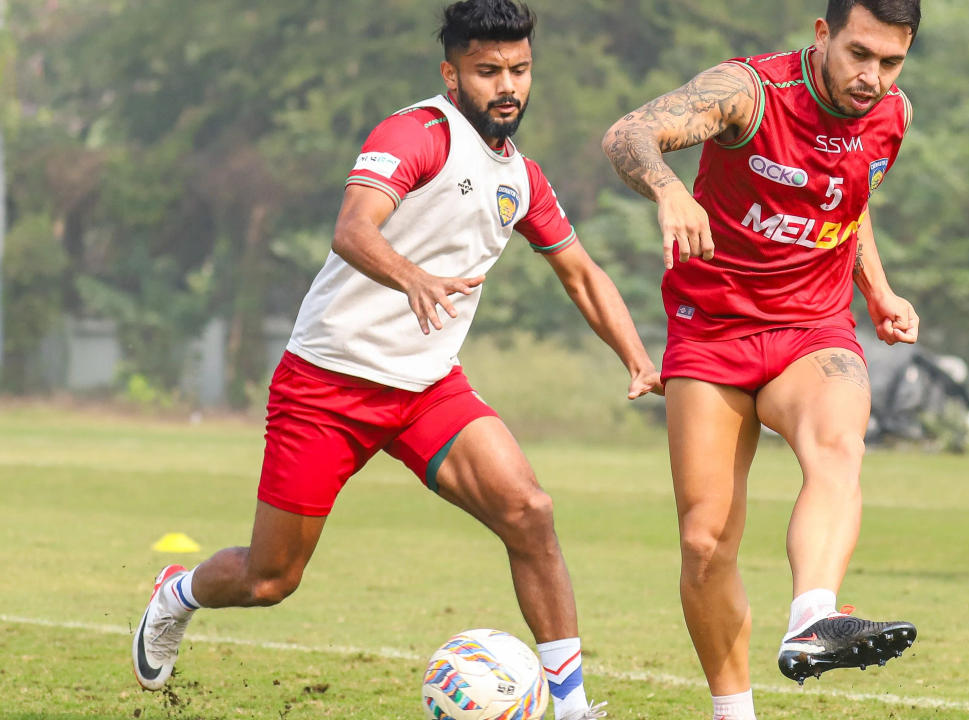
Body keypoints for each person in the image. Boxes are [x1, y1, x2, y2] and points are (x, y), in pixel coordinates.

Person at [131, 3, 659, 718]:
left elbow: (582, 273)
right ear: (451, 73)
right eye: (487, 71)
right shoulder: (416, 134)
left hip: (426, 388)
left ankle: (570, 707)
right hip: (328, 383)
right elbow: (353, 227)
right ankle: (178, 594)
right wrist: (413, 277)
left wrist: (637, 358)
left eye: (520, 70)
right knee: (270, 579)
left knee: (529, 511)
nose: (507, 85)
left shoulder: (523, 178)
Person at [602, 1, 920, 717]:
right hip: (711, 331)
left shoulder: (893, 116)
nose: (873, 77)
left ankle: (813, 616)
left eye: (891, 62)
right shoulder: (749, 92)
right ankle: (733, 711)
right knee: (705, 541)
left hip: (813, 328)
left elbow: (849, 200)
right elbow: (629, 133)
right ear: (821, 34)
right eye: (859, 54)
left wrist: (877, 288)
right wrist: (669, 190)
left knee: (839, 447)